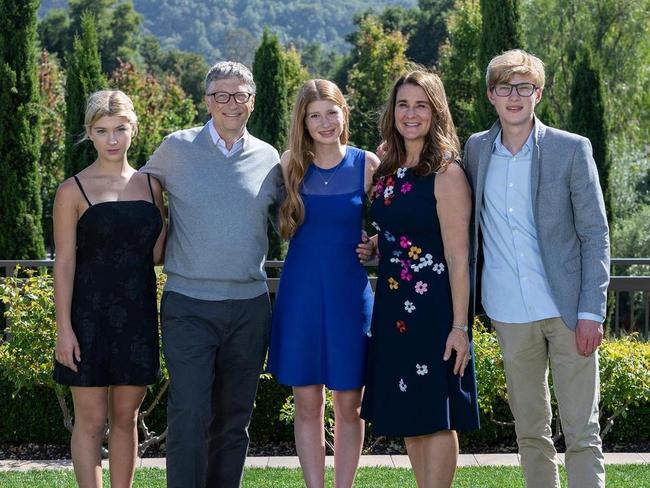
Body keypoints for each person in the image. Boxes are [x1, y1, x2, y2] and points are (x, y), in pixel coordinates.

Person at [464, 49, 609, 488]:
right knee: (531, 432)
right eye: (505, 87)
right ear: (491, 94)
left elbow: (595, 234)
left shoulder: (571, 149)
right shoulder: (474, 150)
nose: (514, 96)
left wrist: (592, 312)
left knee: (582, 432)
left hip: (568, 313)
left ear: (538, 93)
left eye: (523, 87)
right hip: (508, 312)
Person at [140, 61, 283, 488]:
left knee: (235, 416)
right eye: (221, 94)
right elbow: (135, 190)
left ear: (252, 101)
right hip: (188, 305)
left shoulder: (269, 157)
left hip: (249, 307)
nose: (231, 103)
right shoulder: (174, 149)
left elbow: (291, 220)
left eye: (240, 95)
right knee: (189, 411)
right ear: (206, 101)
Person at [360, 70, 480, 488]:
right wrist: (378, 243)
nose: (411, 114)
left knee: (436, 413)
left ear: (436, 111)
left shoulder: (446, 172)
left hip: (434, 311)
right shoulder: (389, 165)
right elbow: (406, 227)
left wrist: (460, 328)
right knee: (409, 413)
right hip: (393, 308)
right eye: (403, 104)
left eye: (421, 105)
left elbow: (457, 254)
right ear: (392, 111)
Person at [266, 79, 379, 488]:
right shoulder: (288, 165)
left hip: (350, 296)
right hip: (300, 296)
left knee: (350, 404)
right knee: (307, 404)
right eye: (315, 115)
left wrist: (376, 246)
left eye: (331, 112)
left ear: (344, 113)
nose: (325, 122)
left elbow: (393, 229)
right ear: (304, 121)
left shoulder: (368, 164)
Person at [53, 89, 166, 488]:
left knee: (126, 417)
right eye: (102, 131)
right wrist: (63, 329)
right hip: (87, 317)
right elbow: (64, 264)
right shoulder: (72, 190)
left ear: (134, 129)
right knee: (89, 420)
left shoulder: (153, 187)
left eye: (120, 129)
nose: (112, 139)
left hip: (136, 315)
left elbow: (156, 253)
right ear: (90, 134)